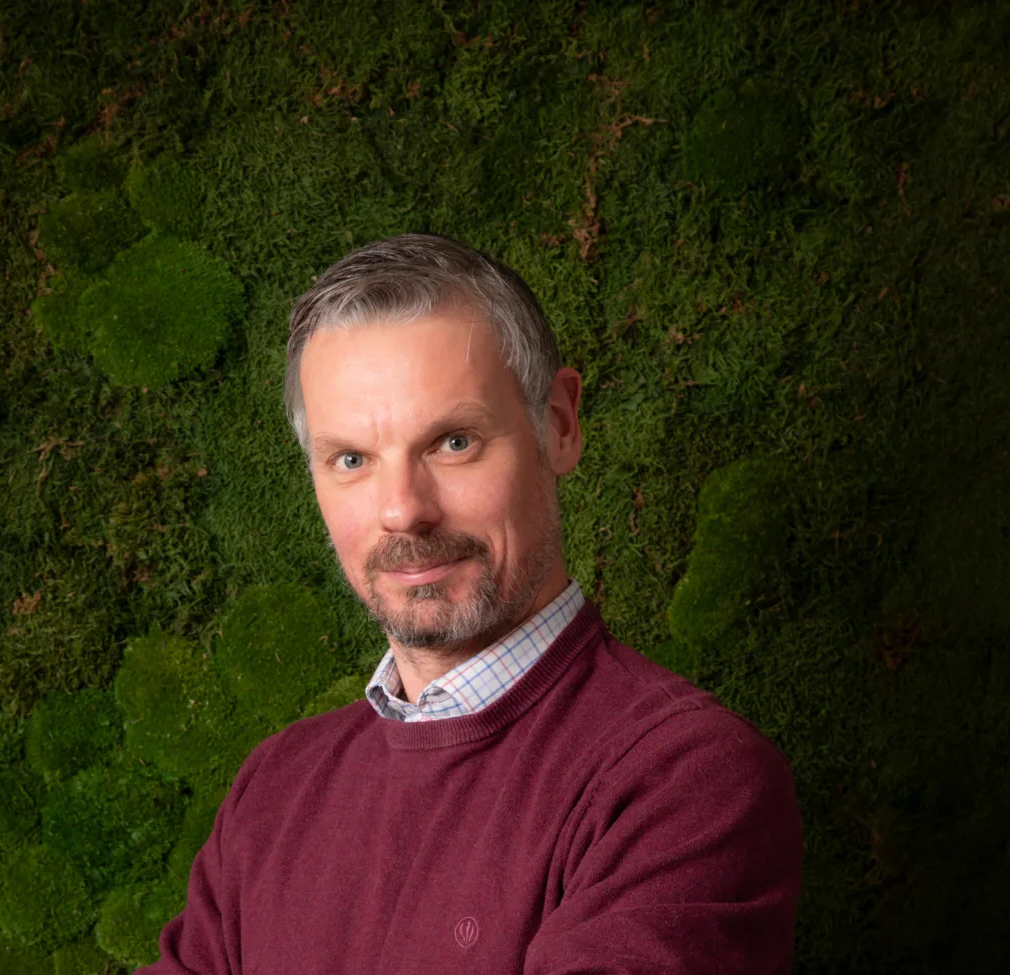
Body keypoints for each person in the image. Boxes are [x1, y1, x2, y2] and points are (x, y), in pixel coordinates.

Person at [139, 233, 803, 974]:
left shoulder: (682, 780)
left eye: (452, 442)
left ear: (558, 424)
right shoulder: (275, 788)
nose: (403, 511)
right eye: (352, 459)